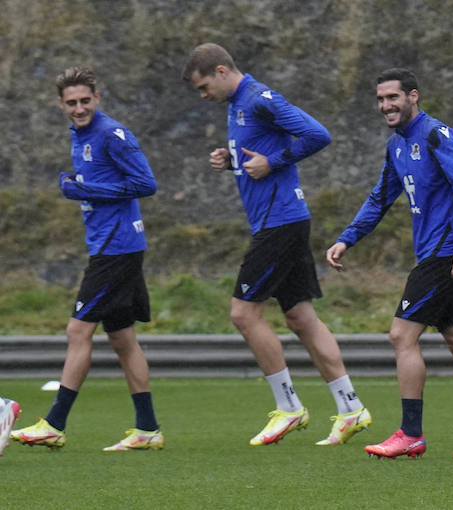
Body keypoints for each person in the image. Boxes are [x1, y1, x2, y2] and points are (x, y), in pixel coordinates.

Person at [183, 43, 369, 446]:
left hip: (279, 223)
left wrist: (274, 162)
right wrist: (234, 159)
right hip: (281, 221)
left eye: (203, 87)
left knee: (243, 313)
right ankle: (351, 407)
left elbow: (318, 135)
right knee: (301, 318)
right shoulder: (236, 105)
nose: (203, 96)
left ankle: (288, 408)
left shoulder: (259, 98)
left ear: (220, 70)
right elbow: (259, 150)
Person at [325, 68, 453, 459]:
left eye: (392, 97)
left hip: (445, 253)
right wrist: (347, 238)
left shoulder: (435, 135)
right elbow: (380, 198)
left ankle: (411, 433)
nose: (385, 106)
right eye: (380, 99)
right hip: (435, 253)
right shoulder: (396, 144)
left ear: (413, 96)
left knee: (401, 335)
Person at [11, 68, 163, 452]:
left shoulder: (112, 134)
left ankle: (54, 423)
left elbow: (147, 184)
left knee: (78, 331)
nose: (79, 108)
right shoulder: (78, 134)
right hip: (109, 245)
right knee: (122, 337)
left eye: (85, 101)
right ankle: (147, 428)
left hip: (118, 248)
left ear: (97, 98)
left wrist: (84, 189)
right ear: (61, 105)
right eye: (71, 103)